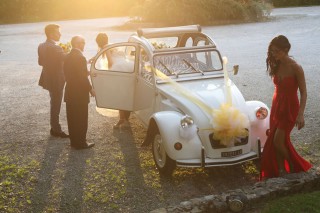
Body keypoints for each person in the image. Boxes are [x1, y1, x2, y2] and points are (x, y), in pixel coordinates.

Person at [260, 35, 312, 179]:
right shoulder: (276, 64)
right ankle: (281, 171)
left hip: (290, 107)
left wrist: (301, 114)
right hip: (277, 105)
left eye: (277, 51)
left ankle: (294, 166)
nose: (274, 54)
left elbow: (304, 92)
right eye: (272, 51)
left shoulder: (296, 67)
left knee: (278, 140)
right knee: (276, 141)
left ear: (286, 49)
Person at [92, 33, 131, 129]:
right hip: (128, 67)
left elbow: (110, 61)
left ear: (98, 42)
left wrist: (110, 74)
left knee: (118, 95)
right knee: (125, 93)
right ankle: (125, 118)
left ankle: (122, 119)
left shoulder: (105, 47)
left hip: (118, 70)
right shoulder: (113, 45)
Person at [64, 35, 95, 149]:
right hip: (79, 93)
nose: (84, 44)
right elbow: (82, 78)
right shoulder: (80, 57)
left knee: (72, 119)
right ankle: (81, 143)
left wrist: (87, 70)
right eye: (83, 42)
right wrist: (91, 89)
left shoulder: (67, 56)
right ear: (77, 43)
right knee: (81, 119)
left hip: (70, 91)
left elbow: (74, 74)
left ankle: (74, 142)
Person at [38, 24, 69, 138]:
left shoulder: (41, 45)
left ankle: (53, 127)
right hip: (57, 80)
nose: (60, 34)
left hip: (48, 78)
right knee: (56, 104)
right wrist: (68, 51)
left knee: (54, 103)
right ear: (51, 34)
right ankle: (56, 130)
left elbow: (40, 62)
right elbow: (66, 59)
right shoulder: (56, 47)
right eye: (57, 32)